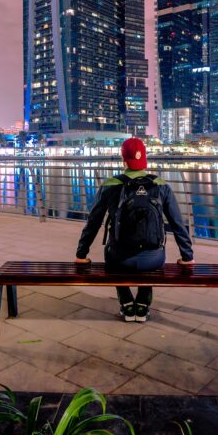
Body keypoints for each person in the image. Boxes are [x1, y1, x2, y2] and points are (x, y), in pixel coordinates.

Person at [75, 137, 194, 322]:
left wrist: (81, 254)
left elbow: (93, 223)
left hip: (119, 259)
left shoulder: (110, 185)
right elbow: (178, 224)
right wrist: (187, 256)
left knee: (111, 253)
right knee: (155, 250)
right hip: (154, 260)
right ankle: (143, 303)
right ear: (145, 159)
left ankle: (127, 303)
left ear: (124, 160)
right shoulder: (161, 185)